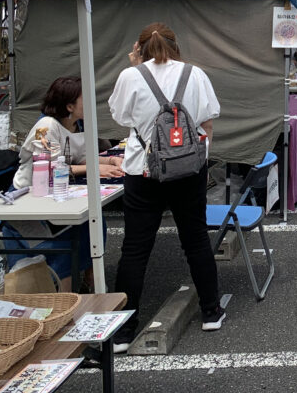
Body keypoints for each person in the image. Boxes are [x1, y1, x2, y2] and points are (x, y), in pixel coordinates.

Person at [108, 22, 225, 352]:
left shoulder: (131, 76)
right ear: (176, 45)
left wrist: (135, 68)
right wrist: (199, 159)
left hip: (142, 169)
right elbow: (208, 121)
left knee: (135, 249)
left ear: (139, 49)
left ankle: (124, 331)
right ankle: (211, 312)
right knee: (196, 239)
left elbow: (120, 116)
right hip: (188, 169)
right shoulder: (195, 74)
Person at [6, 77, 124, 289]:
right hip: (30, 197)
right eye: (83, 99)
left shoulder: (78, 124)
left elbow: (82, 157)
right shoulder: (47, 126)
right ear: (69, 106)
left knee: (94, 223)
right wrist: (95, 168)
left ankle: (91, 279)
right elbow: (50, 168)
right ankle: (66, 297)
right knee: (63, 239)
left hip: (58, 194)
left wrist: (110, 160)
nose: (90, 103)